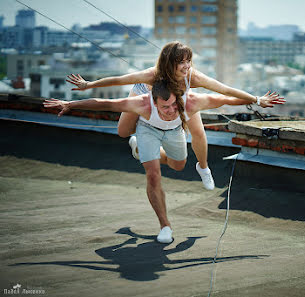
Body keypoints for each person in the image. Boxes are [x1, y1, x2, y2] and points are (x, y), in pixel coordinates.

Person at [44, 80, 284, 244]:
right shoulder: (142, 102)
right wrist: (70, 103)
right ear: (152, 101)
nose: (170, 110)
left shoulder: (189, 101)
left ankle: (146, 150)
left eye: (173, 105)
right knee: (153, 174)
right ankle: (165, 226)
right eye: (164, 106)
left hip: (174, 132)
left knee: (178, 165)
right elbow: (104, 103)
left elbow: (223, 98)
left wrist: (256, 100)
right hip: (147, 128)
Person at [66, 41, 282, 191]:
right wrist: (89, 85)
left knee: (198, 131)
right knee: (123, 132)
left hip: (178, 99)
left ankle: (203, 167)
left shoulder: (192, 76)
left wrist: (255, 99)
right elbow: (119, 79)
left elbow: (223, 90)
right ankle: (140, 143)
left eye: (189, 61)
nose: (187, 66)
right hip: (145, 95)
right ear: (169, 63)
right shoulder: (152, 74)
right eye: (181, 62)